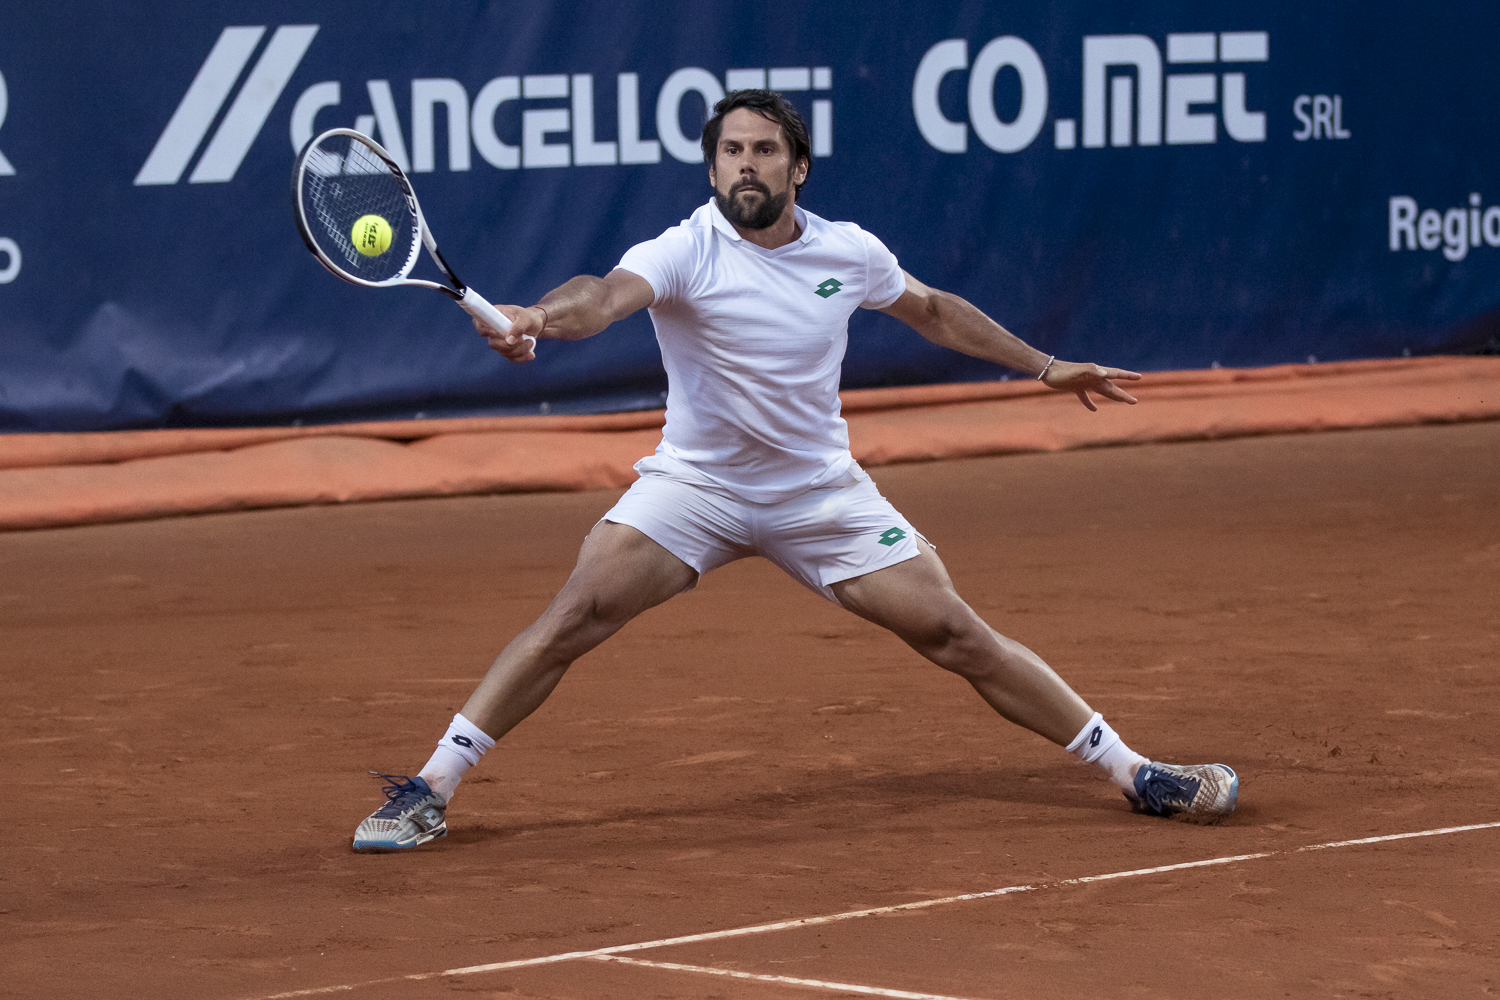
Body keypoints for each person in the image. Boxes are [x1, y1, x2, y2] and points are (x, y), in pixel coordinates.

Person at [352, 90, 1237, 852]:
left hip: (821, 494)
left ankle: (1135, 771)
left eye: (764, 150)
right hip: (695, 489)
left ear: (797, 168)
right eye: (731, 151)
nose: (746, 165)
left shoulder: (847, 251)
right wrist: (536, 316)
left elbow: (932, 309)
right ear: (710, 170)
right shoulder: (684, 248)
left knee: (957, 634)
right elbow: (601, 296)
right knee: (572, 617)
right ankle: (429, 788)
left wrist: (1047, 365)